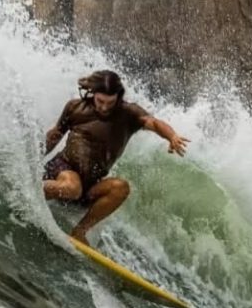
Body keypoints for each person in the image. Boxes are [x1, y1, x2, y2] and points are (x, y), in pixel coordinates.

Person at [43, 70, 190, 245]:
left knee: (120, 188)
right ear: (93, 93)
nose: (104, 107)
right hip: (63, 169)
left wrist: (171, 136)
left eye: (110, 102)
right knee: (72, 187)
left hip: (90, 183)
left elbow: (154, 123)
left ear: (118, 97)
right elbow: (54, 136)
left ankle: (79, 232)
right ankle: (30, 192)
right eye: (100, 101)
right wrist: (33, 159)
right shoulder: (76, 108)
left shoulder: (129, 114)